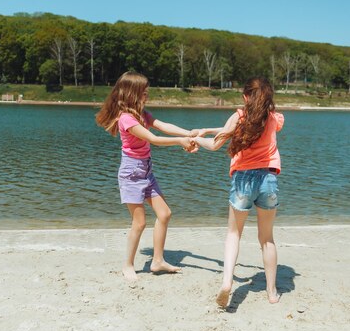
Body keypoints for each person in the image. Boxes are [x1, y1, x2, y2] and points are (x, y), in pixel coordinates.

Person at [95, 71, 198, 281]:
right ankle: (128, 265)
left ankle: (157, 261)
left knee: (164, 214)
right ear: (133, 93)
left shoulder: (141, 114)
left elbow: (162, 126)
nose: (147, 94)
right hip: (131, 174)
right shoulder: (125, 119)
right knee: (139, 222)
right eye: (144, 92)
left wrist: (189, 133)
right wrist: (180, 142)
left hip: (146, 171)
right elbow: (153, 138)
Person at [194, 77, 284, 307]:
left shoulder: (239, 116)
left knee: (234, 234)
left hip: (244, 180)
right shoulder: (274, 118)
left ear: (245, 97)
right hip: (268, 179)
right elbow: (246, 125)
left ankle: (226, 283)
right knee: (267, 239)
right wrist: (209, 129)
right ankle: (272, 292)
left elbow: (215, 144)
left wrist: (196, 138)